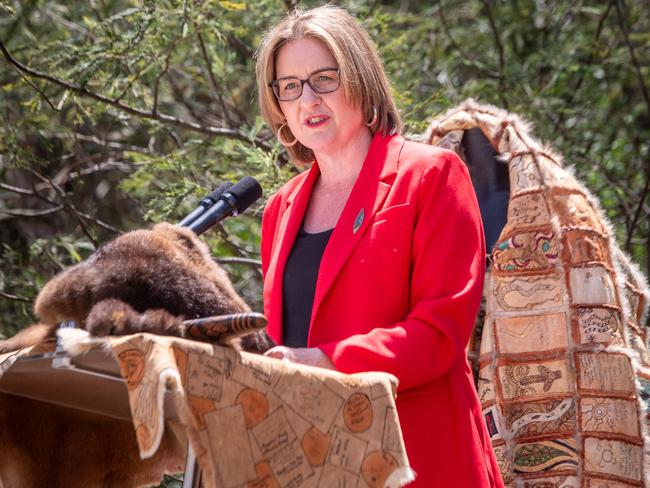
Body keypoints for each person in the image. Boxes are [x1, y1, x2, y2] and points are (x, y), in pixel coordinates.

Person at [255, 6, 503, 487]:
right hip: (319, 463)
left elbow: (439, 333)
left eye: (324, 78)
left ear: (360, 79)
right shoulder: (279, 210)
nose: (308, 98)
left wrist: (330, 361)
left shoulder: (430, 176)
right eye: (290, 86)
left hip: (421, 460)